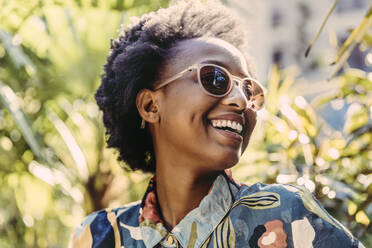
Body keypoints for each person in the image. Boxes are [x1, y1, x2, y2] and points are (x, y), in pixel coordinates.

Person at [69, 1, 364, 247]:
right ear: (151, 106)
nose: (241, 100)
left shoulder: (289, 214)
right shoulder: (99, 235)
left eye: (249, 90)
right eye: (215, 78)